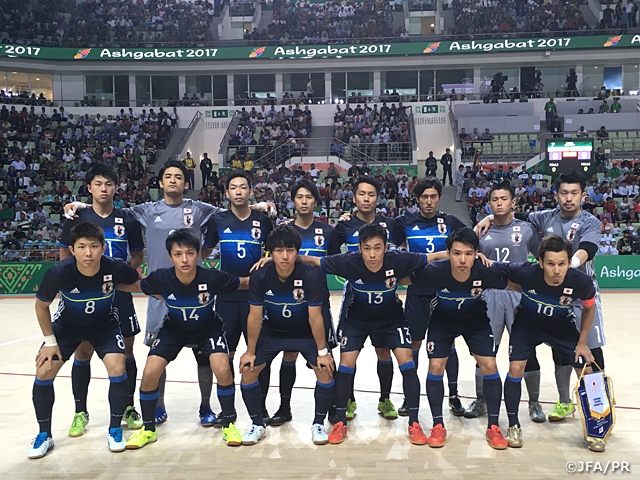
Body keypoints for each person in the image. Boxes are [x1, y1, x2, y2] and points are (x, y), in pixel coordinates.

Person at [65, 161, 272, 427]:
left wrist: (255, 207)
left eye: (178, 177)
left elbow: (232, 209)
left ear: (186, 183)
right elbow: (110, 210)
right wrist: (81, 206)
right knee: (156, 352)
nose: (173, 180)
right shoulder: (144, 211)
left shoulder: (199, 209)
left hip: (195, 293)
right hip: (159, 292)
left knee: (204, 354)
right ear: (160, 183)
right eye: (168, 177)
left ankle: (206, 407)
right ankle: (158, 405)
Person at [476, 171, 606, 425]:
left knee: (591, 354)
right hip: (552, 294)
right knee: (561, 349)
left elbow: (587, 250)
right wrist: (491, 216)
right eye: (564, 193)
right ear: (556, 195)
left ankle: (598, 411)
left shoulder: (591, 222)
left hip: (579, 294)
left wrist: (568, 266)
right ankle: (564, 401)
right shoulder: (545, 217)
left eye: (574, 193)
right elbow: (516, 215)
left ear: (583, 195)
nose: (569, 198)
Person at [301, 223, 440, 445]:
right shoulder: (348, 261)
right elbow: (315, 261)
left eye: (377, 247)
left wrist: (459, 254)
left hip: (391, 318)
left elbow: (431, 258)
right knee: (346, 363)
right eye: (367, 248)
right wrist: (276, 259)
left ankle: (414, 422)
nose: (372, 254)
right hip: (357, 319)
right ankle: (340, 422)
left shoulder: (399, 259)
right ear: (359, 248)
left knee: (407, 362)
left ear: (386, 247)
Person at [122, 229, 250, 449]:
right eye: (178, 254)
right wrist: (98, 281)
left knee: (222, 368)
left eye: (189, 253)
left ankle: (228, 422)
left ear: (198, 254)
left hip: (208, 328)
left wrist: (271, 272)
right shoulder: (161, 277)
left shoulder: (212, 277)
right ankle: (149, 429)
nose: (184, 259)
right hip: (174, 329)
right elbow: (136, 286)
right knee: (150, 371)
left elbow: (245, 283)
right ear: (170, 256)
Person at [28, 221, 141, 459]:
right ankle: (44, 435)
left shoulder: (115, 266)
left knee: (118, 366)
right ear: (72, 249)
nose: (88, 252)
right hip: (68, 325)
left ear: (103, 247)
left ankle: (114, 430)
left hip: (104, 325)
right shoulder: (59, 272)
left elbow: (136, 280)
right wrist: (50, 342)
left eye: (93, 246)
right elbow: (41, 306)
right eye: (81, 247)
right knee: (44, 370)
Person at [59, 164, 145, 437]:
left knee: (127, 352)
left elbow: (137, 257)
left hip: (118, 295)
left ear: (116, 187)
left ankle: (129, 407)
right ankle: (80, 411)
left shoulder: (127, 220)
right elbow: (64, 254)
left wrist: (119, 280)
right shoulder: (76, 217)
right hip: (86, 296)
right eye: (98, 184)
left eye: (109, 184)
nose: (104, 189)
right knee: (83, 352)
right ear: (89, 188)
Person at [405, 228, 511, 450]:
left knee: (490, 365)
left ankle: (494, 426)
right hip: (443, 320)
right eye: (456, 253)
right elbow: (404, 277)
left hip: (475, 320)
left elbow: (517, 281)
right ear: (448, 253)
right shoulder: (433, 271)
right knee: (435, 365)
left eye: (469, 253)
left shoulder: (486, 271)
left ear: (476, 254)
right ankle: (437, 424)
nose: (462, 259)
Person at [491, 235, 596, 449]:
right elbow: (493, 266)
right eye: (550, 264)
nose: (556, 270)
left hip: (561, 327)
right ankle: (514, 426)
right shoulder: (525, 271)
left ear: (569, 262)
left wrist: (582, 342)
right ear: (540, 263)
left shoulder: (582, 282)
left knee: (587, 369)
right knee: (516, 368)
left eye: (561, 264)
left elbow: (589, 307)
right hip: (527, 326)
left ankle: (596, 427)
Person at [238, 225, 335, 446]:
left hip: (304, 332)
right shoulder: (260, 275)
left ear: (297, 252)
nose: (285, 256)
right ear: (270, 253)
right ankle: (256, 424)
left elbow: (315, 317)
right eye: (279, 250)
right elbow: (254, 317)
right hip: (273, 332)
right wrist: (250, 351)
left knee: (325, 370)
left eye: (290, 250)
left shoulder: (311, 275)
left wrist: (322, 352)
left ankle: (318, 423)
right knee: (248, 370)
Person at [256, 180, 341, 426]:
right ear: (293, 201)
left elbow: (333, 263)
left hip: (317, 303)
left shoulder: (328, 231)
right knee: (288, 355)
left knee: (325, 357)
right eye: (299, 197)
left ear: (316, 201)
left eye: (309, 197)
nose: (304, 201)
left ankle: (333, 409)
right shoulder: (281, 232)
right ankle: (284, 407)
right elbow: (270, 259)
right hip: (285, 303)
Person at [464, 183, 544, 421]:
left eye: (503, 199)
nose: (499, 203)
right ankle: (481, 400)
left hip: (520, 295)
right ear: (489, 204)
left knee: (526, 350)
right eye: (494, 200)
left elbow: (542, 258)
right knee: (485, 350)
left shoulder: (527, 229)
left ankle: (534, 403)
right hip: (489, 295)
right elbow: (467, 256)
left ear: (513, 203)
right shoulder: (480, 231)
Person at [201, 171, 273, 425]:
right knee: (225, 355)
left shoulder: (263, 220)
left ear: (250, 192)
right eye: (234, 188)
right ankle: (228, 411)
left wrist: (270, 257)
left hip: (257, 298)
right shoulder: (218, 220)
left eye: (244, 187)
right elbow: (205, 251)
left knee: (260, 354)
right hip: (226, 298)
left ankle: (261, 408)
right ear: (228, 193)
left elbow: (275, 249)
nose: (239, 191)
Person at [392, 178, 466, 417]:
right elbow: (380, 230)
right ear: (417, 199)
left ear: (439, 198)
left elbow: (470, 241)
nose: (429, 201)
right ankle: (409, 397)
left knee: (449, 344)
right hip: (416, 292)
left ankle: (453, 395)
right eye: (424, 197)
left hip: (445, 293)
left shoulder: (451, 222)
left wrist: (485, 219)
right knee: (413, 344)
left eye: (433, 196)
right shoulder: (404, 222)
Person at [334, 177, 398, 420]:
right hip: (354, 297)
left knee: (384, 351)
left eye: (371, 194)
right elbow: (330, 255)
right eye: (362, 194)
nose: (366, 199)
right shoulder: (344, 226)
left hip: (385, 297)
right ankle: (349, 399)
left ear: (378, 198)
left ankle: (385, 399)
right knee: (350, 353)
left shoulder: (390, 224)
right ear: (354, 198)